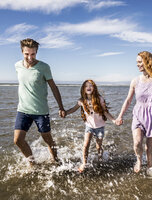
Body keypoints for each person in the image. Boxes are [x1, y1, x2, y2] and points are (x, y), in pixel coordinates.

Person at [13, 38, 66, 166]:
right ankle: (33, 164)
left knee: (47, 139)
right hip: (23, 109)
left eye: (33, 54)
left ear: (36, 52)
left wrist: (61, 107)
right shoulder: (17, 66)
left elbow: (53, 87)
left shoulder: (44, 67)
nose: (30, 57)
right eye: (27, 54)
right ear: (22, 52)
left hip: (40, 111)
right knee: (18, 140)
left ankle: (56, 161)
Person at [65, 80, 116, 173]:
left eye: (91, 85)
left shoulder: (99, 99)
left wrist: (114, 120)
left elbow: (105, 112)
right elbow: (73, 109)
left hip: (100, 127)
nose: (88, 87)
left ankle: (100, 158)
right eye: (86, 86)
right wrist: (65, 113)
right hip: (89, 126)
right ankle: (84, 163)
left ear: (94, 88)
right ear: (83, 89)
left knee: (98, 146)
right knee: (86, 145)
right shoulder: (81, 101)